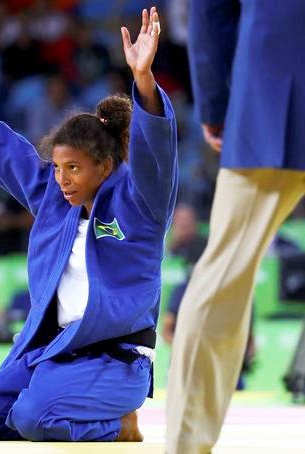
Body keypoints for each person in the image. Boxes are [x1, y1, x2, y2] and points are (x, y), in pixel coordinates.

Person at [0, 9, 177, 442]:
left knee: (34, 418)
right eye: (57, 167)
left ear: (106, 166)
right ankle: (51, 403)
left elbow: (157, 158)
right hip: (50, 353)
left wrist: (145, 80)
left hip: (116, 360)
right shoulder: (53, 197)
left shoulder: (140, 203)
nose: (62, 179)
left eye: (74, 168)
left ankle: (118, 422)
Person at [165, 2, 305, 453]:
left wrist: (217, 101)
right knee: (221, 279)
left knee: (222, 277)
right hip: (281, 80)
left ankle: (185, 446)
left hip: (278, 79)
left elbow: (209, 11)